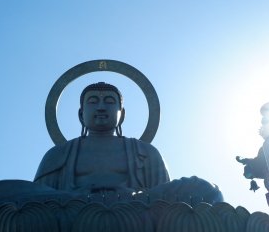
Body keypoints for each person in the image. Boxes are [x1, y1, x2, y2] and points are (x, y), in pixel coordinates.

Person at [34, 82, 170, 195]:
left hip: (133, 214)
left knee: (190, 186)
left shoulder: (146, 152)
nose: (101, 108)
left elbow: (164, 196)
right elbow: (39, 198)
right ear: (81, 114)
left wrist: (134, 196)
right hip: (73, 212)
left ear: (121, 115)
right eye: (93, 101)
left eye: (110, 102)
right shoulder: (58, 154)